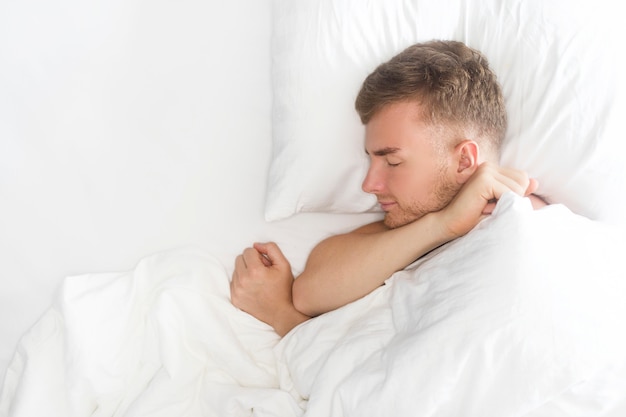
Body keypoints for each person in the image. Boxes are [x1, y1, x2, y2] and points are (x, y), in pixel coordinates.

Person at [230, 40, 547, 337]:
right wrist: (443, 224)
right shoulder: (382, 238)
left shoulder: (532, 224)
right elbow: (309, 293)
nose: (369, 185)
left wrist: (283, 318)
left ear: (464, 161)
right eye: (370, 160)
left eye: (392, 162)